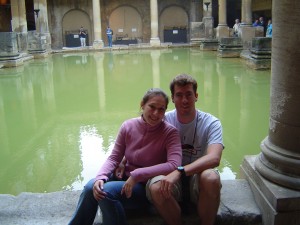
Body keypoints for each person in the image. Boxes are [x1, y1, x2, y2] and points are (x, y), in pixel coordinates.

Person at [68, 88, 182, 225]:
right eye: (152, 107)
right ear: (142, 105)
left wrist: (137, 174)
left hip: (145, 185)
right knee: (90, 187)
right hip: (124, 177)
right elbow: (114, 157)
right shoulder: (128, 126)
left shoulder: (170, 132)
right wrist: (101, 176)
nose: (156, 113)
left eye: (161, 109)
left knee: (107, 192)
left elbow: (174, 164)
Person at [148, 74, 224, 225]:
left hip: (198, 178)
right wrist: (124, 160)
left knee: (211, 178)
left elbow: (214, 158)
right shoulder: (163, 120)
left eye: (188, 94)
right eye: (179, 95)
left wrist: (180, 171)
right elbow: (139, 138)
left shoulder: (211, 122)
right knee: (155, 186)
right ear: (173, 98)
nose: (184, 100)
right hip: (170, 179)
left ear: (196, 96)